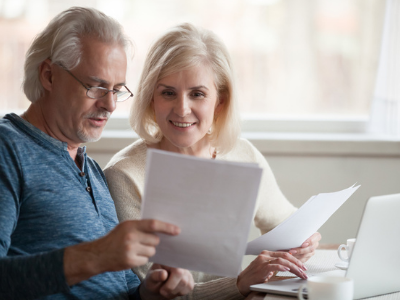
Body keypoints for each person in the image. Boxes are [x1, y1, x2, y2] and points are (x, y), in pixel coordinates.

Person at [104, 23, 322, 299]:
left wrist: (304, 240)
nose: (182, 108)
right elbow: (154, 293)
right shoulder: (125, 175)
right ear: (150, 98)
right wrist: (240, 284)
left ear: (220, 101)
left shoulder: (243, 155)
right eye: (168, 93)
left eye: (197, 94)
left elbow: (285, 223)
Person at [0, 7, 195, 300]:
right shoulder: (8, 149)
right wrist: (94, 256)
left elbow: (120, 287)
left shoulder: (90, 169)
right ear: (49, 75)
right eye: (96, 87)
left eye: (116, 90)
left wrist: (149, 291)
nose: (110, 105)